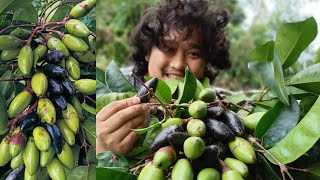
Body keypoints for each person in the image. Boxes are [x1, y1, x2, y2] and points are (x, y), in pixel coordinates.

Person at [97, 0, 231, 155]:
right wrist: (100, 150)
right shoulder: (113, 88)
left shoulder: (216, 105)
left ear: (206, 62)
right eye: (168, 48)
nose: (179, 64)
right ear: (148, 52)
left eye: (194, 54)